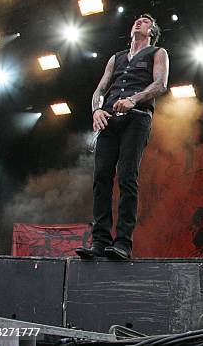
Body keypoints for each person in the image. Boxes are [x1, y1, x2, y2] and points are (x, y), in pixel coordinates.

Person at [76, 14, 169, 260]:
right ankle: (100, 241)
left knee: (127, 177)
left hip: (137, 118)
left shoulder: (158, 53)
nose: (139, 22)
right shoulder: (115, 58)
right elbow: (100, 89)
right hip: (109, 120)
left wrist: (133, 99)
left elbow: (160, 84)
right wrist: (96, 109)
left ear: (152, 31)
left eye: (146, 21)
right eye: (137, 20)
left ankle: (123, 243)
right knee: (101, 178)